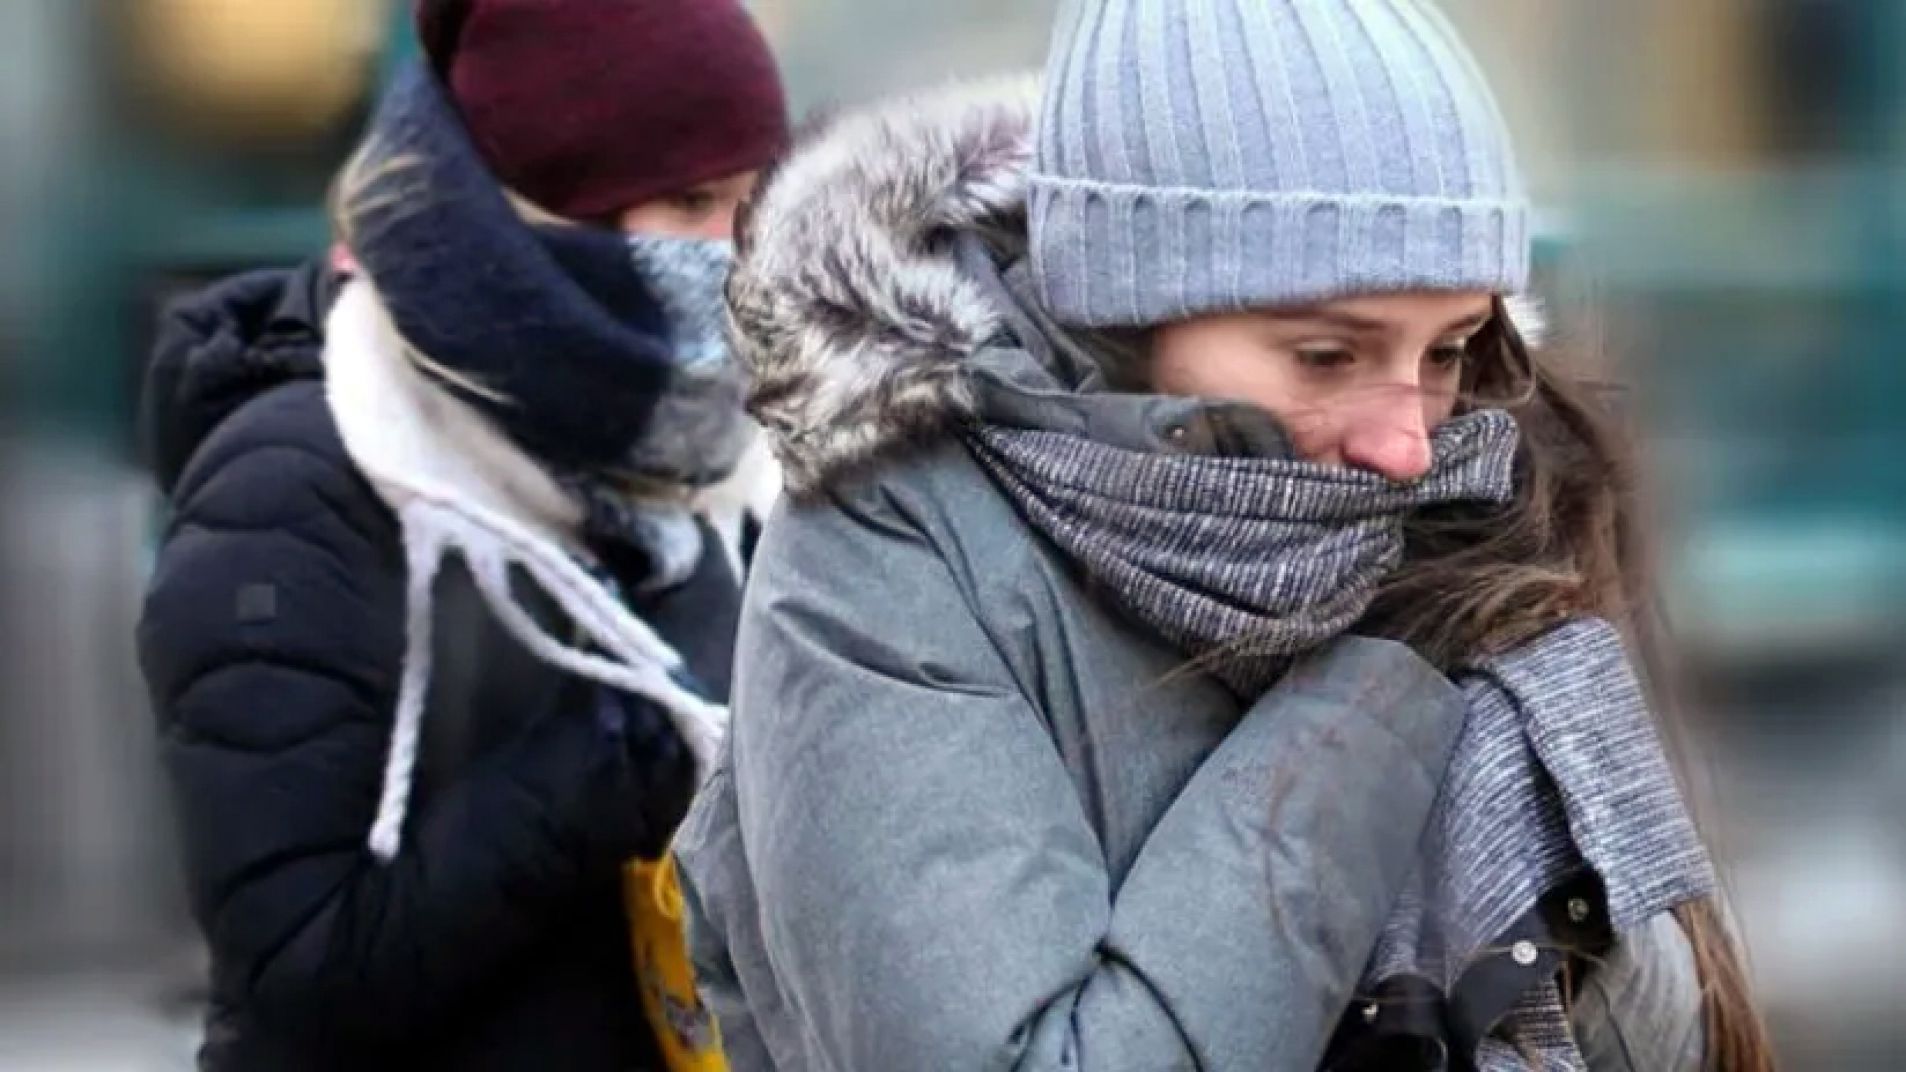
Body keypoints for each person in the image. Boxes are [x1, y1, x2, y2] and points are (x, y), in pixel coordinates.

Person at [677, 1, 1773, 1069]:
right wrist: (1371, 702)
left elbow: (1675, 1038)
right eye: (1326, 358)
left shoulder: (1464, 508)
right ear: (1127, 308)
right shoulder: (885, 550)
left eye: (1443, 352)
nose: (1405, 444)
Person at [136, 0, 786, 1068]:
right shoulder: (295, 489)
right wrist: (605, 769)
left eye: (753, 202)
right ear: (539, 214)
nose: (736, 251)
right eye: (690, 200)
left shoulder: (712, 471)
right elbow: (300, 979)